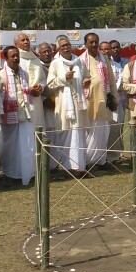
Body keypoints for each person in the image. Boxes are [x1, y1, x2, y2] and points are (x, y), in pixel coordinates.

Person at [46, 36, 91, 176]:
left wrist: (86, 81)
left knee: (79, 134)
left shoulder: (79, 61)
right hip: (64, 105)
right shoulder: (55, 63)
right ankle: (67, 167)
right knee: (66, 135)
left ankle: (80, 167)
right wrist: (64, 78)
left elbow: (87, 77)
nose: (66, 48)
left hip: (79, 103)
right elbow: (50, 84)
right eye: (63, 46)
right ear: (58, 48)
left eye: (68, 45)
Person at [0, 46, 35, 186]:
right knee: (10, 147)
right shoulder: (0, 75)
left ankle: (27, 173)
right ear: (6, 58)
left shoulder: (24, 73)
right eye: (12, 56)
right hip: (9, 117)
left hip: (25, 114)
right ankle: (10, 174)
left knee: (27, 145)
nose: (16, 58)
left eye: (17, 55)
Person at [80, 33, 119, 172]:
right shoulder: (80, 60)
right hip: (88, 101)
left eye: (96, 42)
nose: (94, 45)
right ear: (85, 44)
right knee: (89, 132)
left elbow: (111, 80)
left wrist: (114, 97)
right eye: (91, 42)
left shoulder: (104, 59)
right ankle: (86, 161)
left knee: (103, 131)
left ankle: (101, 160)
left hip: (104, 100)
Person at [102, 40, 127, 164]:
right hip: (101, 102)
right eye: (104, 49)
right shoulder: (97, 65)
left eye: (108, 49)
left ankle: (114, 156)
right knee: (102, 128)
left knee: (116, 128)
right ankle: (101, 156)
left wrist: (113, 95)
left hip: (116, 102)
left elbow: (120, 82)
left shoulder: (117, 66)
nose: (106, 51)